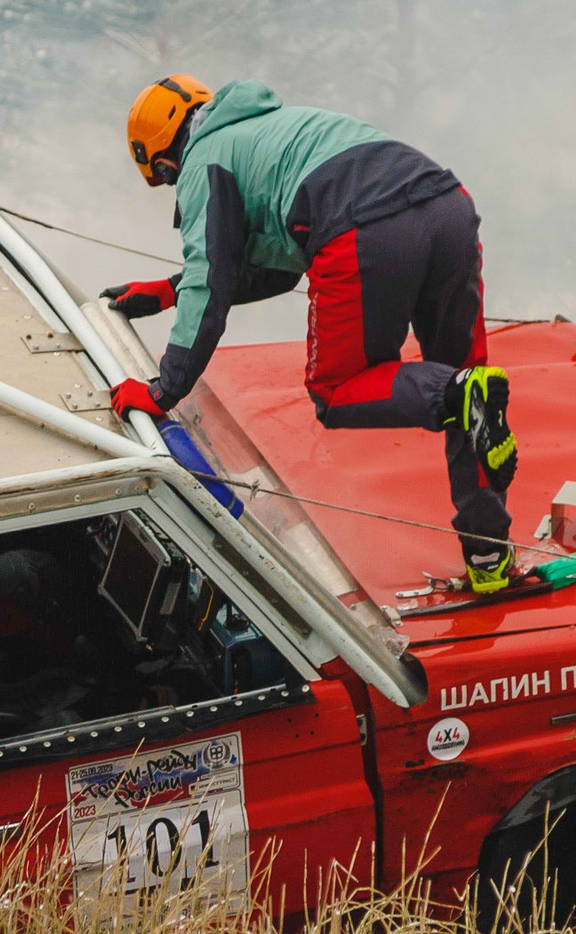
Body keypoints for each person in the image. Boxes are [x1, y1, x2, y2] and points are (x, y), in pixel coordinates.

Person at [104, 75, 520, 593]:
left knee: (339, 389)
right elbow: (278, 268)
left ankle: (456, 395)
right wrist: (169, 289)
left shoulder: (203, 161)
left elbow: (211, 279)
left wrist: (164, 390)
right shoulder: (274, 126)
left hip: (365, 229)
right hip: (447, 205)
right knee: (469, 387)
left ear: (162, 161)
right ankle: (489, 559)